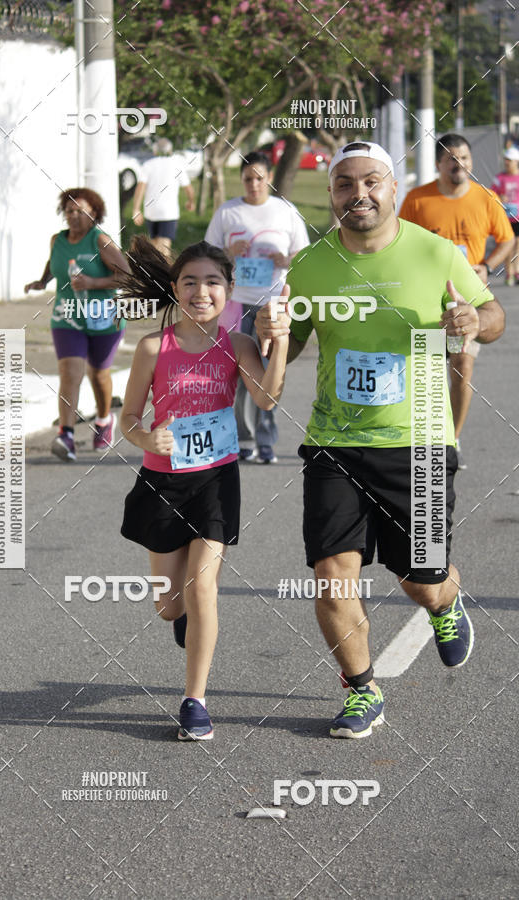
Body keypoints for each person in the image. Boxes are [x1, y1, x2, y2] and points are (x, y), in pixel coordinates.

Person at [256, 141, 505, 739]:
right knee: (332, 574)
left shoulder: (436, 253)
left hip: (417, 443)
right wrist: (269, 332)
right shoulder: (311, 265)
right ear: (333, 194)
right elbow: (279, 353)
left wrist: (475, 321)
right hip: (334, 445)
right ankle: (361, 690)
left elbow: (492, 315)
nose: (358, 194)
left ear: (395, 189)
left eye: (372, 182)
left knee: (420, 579)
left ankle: (444, 602)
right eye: (344, 184)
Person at [118, 237, 290, 740]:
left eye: (213, 282)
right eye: (190, 281)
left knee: (203, 585)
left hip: (216, 480)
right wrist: (147, 435)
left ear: (229, 290)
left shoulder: (236, 345)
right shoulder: (154, 347)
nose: (201, 291)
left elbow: (266, 398)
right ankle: (184, 619)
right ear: (175, 288)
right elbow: (127, 417)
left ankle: (194, 700)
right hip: (163, 482)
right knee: (170, 605)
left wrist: (278, 344)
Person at [399, 133, 513, 468]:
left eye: (463, 157)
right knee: (426, 372)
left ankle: (452, 439)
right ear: (439, 164)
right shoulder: (418, 200)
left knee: (462, 367)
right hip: (425, 300)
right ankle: (415, 438)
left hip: (469, 300)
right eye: (451, 158)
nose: (458, 163)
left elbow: (506, 239)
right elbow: (398, 241)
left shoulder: (486, 198)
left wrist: (487, 267)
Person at [205, 151, 309, 463]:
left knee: (270, 373)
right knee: (237, 374)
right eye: (248, 178)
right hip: (237, 303)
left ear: (269, 178)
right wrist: (228, 252)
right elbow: (206, 255)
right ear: (242, 180)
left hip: (274, 302)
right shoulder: (228, 212)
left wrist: (285, 260)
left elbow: (303, 254)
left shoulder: (285, 211)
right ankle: (245, 439)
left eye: (260, 178)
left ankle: (267, 440)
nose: (254, 184)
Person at [24, 188, 131, 462]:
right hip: (67, 316)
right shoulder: (57, 240)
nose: (73, 215)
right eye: (69, 210)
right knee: (70, 372)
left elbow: (127, 276)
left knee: (98, 374)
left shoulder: (101, 241)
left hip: (103, 318)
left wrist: (93, 283)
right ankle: (66, 435)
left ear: (93, 213)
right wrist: (43, 280)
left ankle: (105, 419)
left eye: (80, 210)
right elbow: (54, 263)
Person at [131, 138, 195, 257]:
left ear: (155, 151)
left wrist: (136, 209)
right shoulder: (177, 165)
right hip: (168, 213)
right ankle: (162, 273)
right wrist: (191, 202)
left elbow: (140, 188)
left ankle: (154, 273)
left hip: (151, 211)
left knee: (155, 246)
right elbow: (189, 188)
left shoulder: (148, 165)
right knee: (164, 248)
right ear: (170, 150)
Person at [491, 146, 519, 285]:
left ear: (516, 162)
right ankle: (509, 273)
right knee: (508, 245)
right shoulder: (500, 178)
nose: (507, 163)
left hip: (518, 217)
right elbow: (491, 194)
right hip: (505, 217)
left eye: (509, 160)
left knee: (518, 246)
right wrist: (500, 198)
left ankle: (517, 271)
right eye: (506, 160)